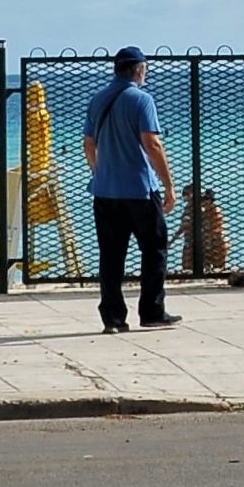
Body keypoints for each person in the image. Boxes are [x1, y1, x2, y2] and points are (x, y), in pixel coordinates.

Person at [82, 46, 181, 332]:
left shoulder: (98, 99)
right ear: (139, 70)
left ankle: (112, 318)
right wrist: (169, 185)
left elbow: (89, 144)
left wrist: (99, 172)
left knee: (111, 255)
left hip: (105, 190)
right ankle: (152, 311)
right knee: (154, 249)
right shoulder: (142, 100)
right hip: (139, 189)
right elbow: (152, 143)